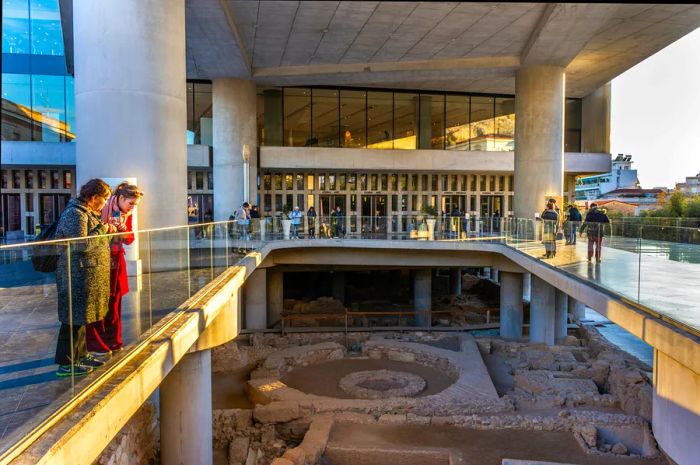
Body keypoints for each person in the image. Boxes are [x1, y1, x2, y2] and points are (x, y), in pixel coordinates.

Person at [54, 179, 114, 377]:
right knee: (72, 320)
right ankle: (67, 363)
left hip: (84, 274)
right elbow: (81, 245)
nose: (105, 203)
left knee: (80, 319)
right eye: (104, 199)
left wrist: (106, 230)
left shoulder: (86, 213)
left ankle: (80, 355)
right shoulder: (75, 214)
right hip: (75, 274)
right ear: (94, 197)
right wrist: (102, 229)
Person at [86, 182, 143, 355]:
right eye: (130, 203)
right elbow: (93, 233)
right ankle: (96, 342)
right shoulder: (102, 207)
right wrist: (112, 228)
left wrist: (122, 229)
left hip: (116, 260)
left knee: (115, 301)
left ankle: (113, 340)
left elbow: (129, 238)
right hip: (99, 259)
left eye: (135, 205)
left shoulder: (127, 214)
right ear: (121, 198)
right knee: (99, 300)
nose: (132, 208)